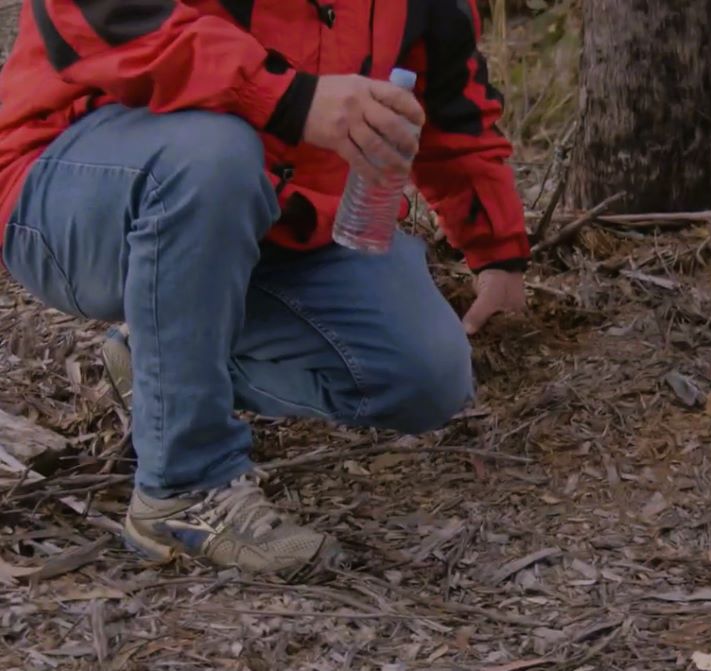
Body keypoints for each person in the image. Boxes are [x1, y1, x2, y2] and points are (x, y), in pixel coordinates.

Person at [0, 1, 530, 581]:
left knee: (424, 376)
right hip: (74, 187)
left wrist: (499, 252)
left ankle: (158, 354)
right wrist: (292, 98)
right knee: (213, 156)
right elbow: (98, 14)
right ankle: (183, 487)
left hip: (285, 219)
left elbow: (452, 110)